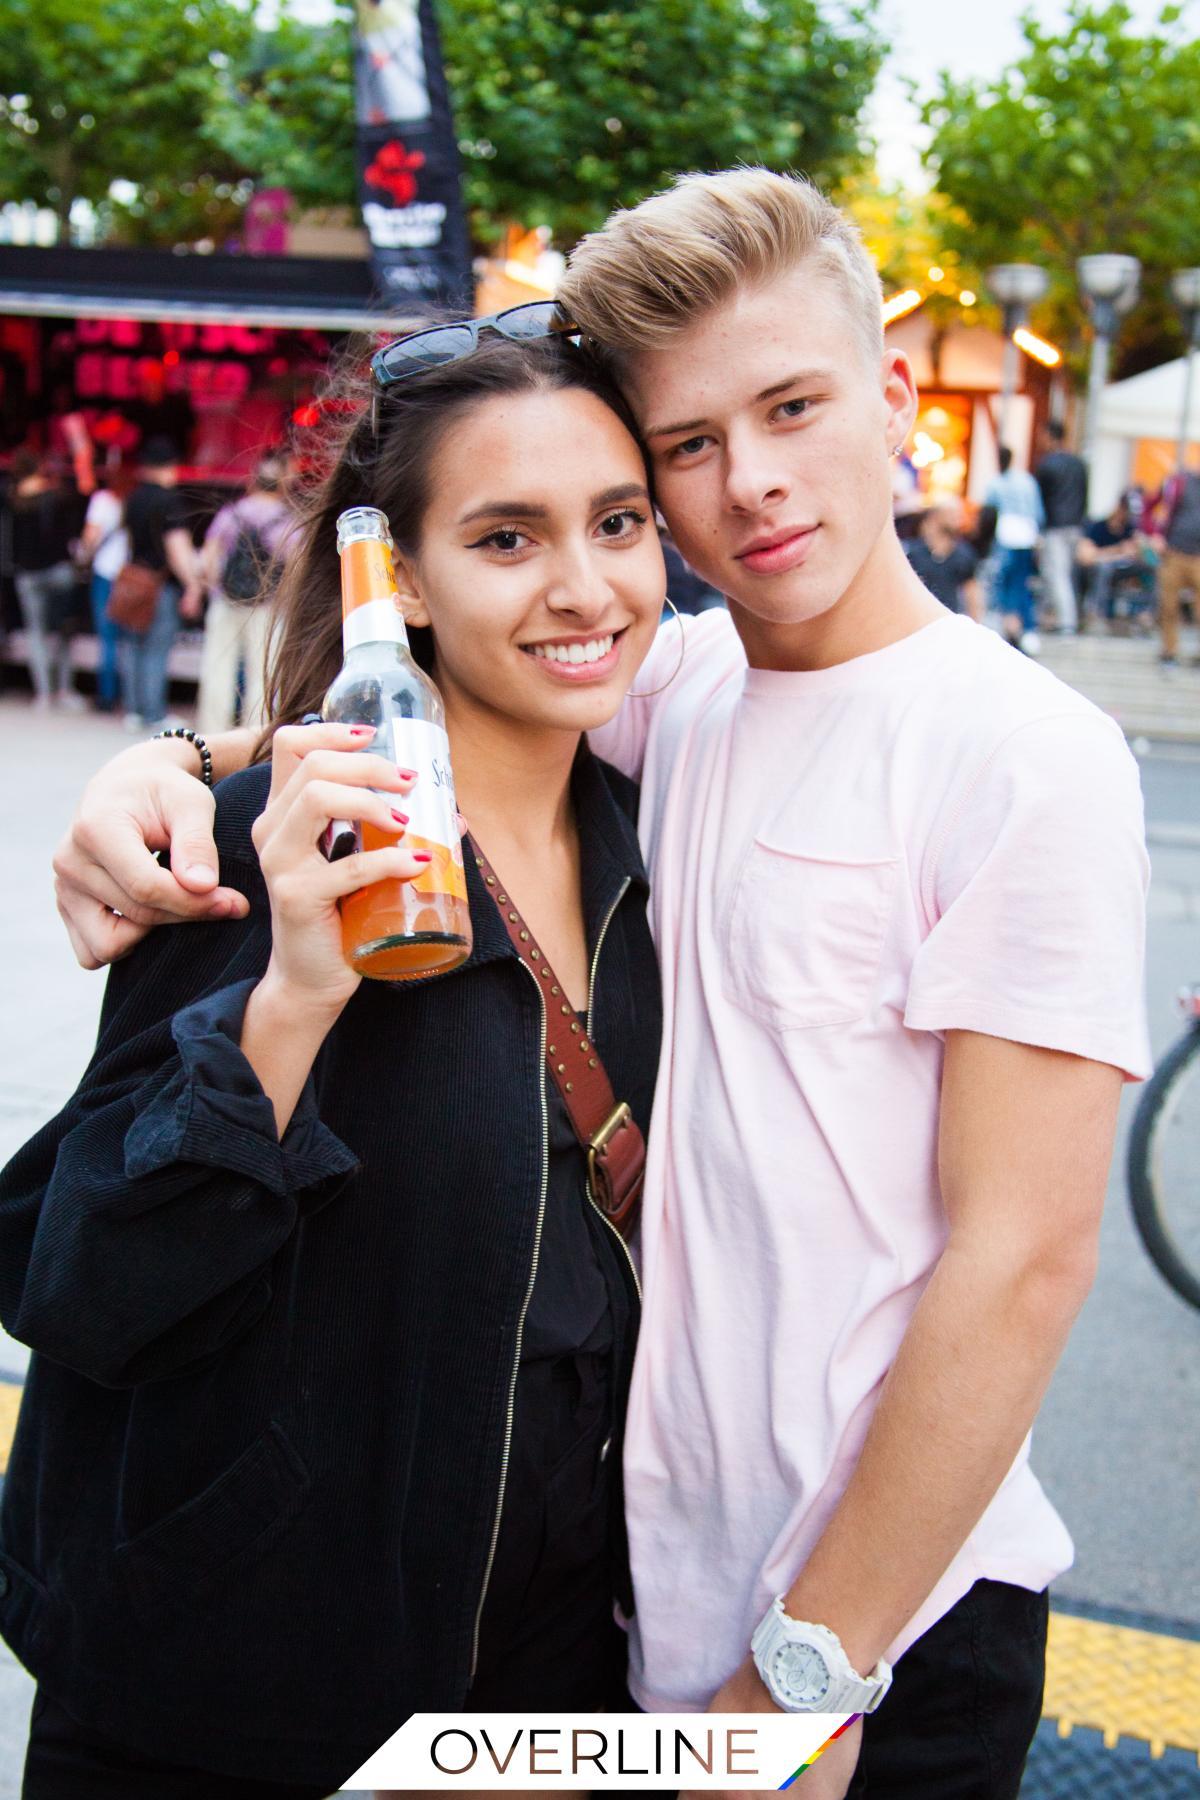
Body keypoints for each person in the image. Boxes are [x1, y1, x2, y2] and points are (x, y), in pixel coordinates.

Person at [50, 170, 1150, 1800]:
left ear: (896, 399)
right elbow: (462, 682)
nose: (750, 486)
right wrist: (159, 768)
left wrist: (808, 1680)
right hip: (629, 1614)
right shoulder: (676, 688)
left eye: (792, 408)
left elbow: (1025, 1261)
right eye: (688, 449)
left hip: (871, 1636)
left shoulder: (1026, 754)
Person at [0, 329, 666, 1795]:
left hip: (536, 1697)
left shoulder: (651, 848)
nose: (584, 586)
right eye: (508, 537)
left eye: (618, 523)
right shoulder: (260, 847)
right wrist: (294, 995)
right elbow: (86, 1284)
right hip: (228, 1701)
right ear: (405, 581)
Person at [196, 450, 299, 735]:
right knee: (263, 674)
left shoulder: (232, 513)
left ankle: (213, 733)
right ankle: (255, 734)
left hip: (225, 601)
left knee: (218, 667)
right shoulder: (287, 523)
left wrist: (216, 587)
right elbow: (295, 569)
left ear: (254, 480)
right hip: (267, 606)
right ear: (283, 484)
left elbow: (208, 559)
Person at [118, 437, 203, 732]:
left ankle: (133, 709)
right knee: (157, 648)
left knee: (133, 646)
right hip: (160, 584)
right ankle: (153, 712)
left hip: (133, 580)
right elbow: (177, 548)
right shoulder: (169, 501)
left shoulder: (133, 498)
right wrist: (193, 584)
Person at [7, 449, 86, 711]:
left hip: (28, 574)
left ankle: (44, 693)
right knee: (63, 632)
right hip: (58, 571)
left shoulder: (13, 500)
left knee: (37, 635)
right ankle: (64, 689)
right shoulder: (57, 496)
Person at [78, 464, 131, 713]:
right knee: (129, 638)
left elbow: (91, 537)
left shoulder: (102, 501)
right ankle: (131, 695)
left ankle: (107, 695)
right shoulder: (132, 501)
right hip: (130, 576)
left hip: (106, 573)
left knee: (107, 637)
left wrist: (82, 556)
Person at [984, 445, 1046, 652]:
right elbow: (1038, 511)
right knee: (1021, 583)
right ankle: (1026, 628)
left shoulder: (997, 483)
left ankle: (1009, 624)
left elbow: (988, 512)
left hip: (1006, 535)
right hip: (1026, 535)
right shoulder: (1027, 481)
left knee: (1004, 583)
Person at [1034, 420, 1087, 634]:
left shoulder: (1047, 465)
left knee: (1057, 574)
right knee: (1063, 574)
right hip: (1075, 525)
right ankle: (1050, 616)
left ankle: (1066, 622)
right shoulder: (1078, 463)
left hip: (1055, 526)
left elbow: (1040, 500)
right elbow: (1084, 496)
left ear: (1049, 436)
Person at [1149, 465, 1200, 667]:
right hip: (1174, 552)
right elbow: (1151, 505)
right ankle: (1169, 651)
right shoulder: (1180, 482)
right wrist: (1155, 533)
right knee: (1168, 606)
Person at [1076, 491, 1152, 625]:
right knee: (1103, 569)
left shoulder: (1129, 529)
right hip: (1098, 568)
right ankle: (1096, 611)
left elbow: (1139, 555)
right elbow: (1086, 556)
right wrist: (1118, 550)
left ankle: (1145, 611)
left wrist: (1140, 546)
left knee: (1150, 567)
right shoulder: (1098, 527)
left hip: (1121, 568)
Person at [903, 500, 983, 619]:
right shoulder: (913, 552)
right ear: (936, 516)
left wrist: (975, 622)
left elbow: (971, 593)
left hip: (948, 620)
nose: (957, 518)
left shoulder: (964, 554)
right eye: (952, 513)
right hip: (917, 619)